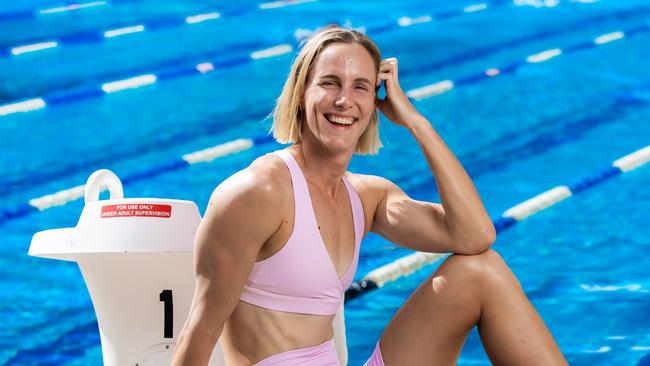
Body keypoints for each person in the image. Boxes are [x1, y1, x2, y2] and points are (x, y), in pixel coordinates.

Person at [171, 27, 568, 365]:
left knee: (480, 271)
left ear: (375, 103)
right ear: (301, 92)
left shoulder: (366, 197)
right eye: (329, 83)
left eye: (360, 87)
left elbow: (474, 237)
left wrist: (415, 121)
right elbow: (199, 331)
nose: (344, 101)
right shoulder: (258, 192)